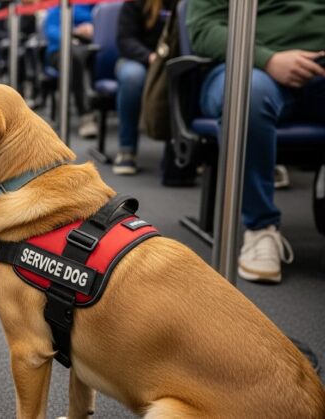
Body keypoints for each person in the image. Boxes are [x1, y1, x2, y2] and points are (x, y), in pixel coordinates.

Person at [188, 0, 325, 282]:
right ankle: (261, 229)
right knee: (248, 92)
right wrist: (267, 59)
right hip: (249, 65)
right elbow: (202, 29)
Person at [113, 0, 175, 175]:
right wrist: (149, 57)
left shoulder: (180, 5)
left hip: (168, 61)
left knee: (183, 74)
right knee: (132, 77)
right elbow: (124, 40)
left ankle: (179, 154)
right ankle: (127, 149)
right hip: (137, 59)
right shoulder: (133, 4)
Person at [44, 4, 98, 139]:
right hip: (60, 49)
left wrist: (92, 28)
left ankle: (98, 103)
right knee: (73, 60)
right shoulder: (56, 6)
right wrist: (74, 32)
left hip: (89, 45)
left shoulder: (91, 6)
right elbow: (51, 31)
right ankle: (85, 115)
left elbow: (102, 21)